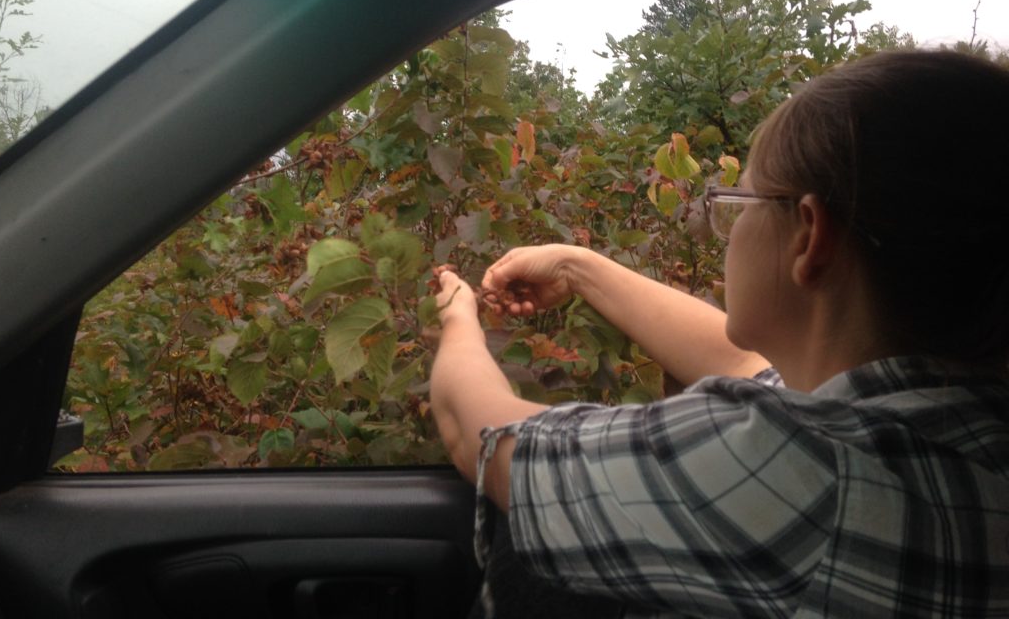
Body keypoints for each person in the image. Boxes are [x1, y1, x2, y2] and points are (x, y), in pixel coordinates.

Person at [428, 50, 1009, 617]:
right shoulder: (943, 427)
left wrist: (459, 314)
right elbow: (745, 365)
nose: (727, 229)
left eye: (739, 201)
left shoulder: (821, 472)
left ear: (809, 237)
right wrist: (578, 267)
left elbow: (479, 435)